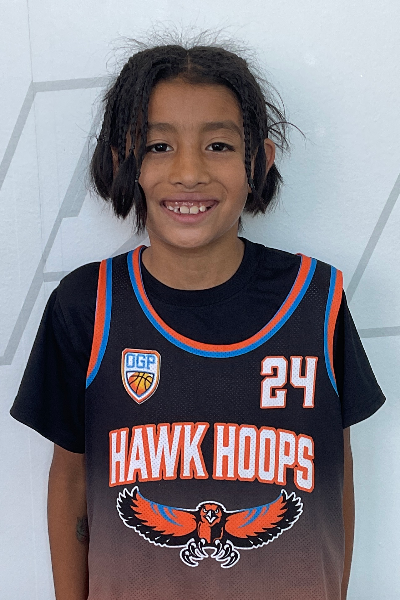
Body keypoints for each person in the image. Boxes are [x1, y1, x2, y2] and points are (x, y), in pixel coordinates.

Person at [10, 41, 385, 600]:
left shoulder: (317, 298)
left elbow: (336, 471)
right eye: (158, 146)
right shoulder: (86, 305)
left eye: (218, 145)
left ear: (259, 161)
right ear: (123, 162)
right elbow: (69, 480)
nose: (189, 172)